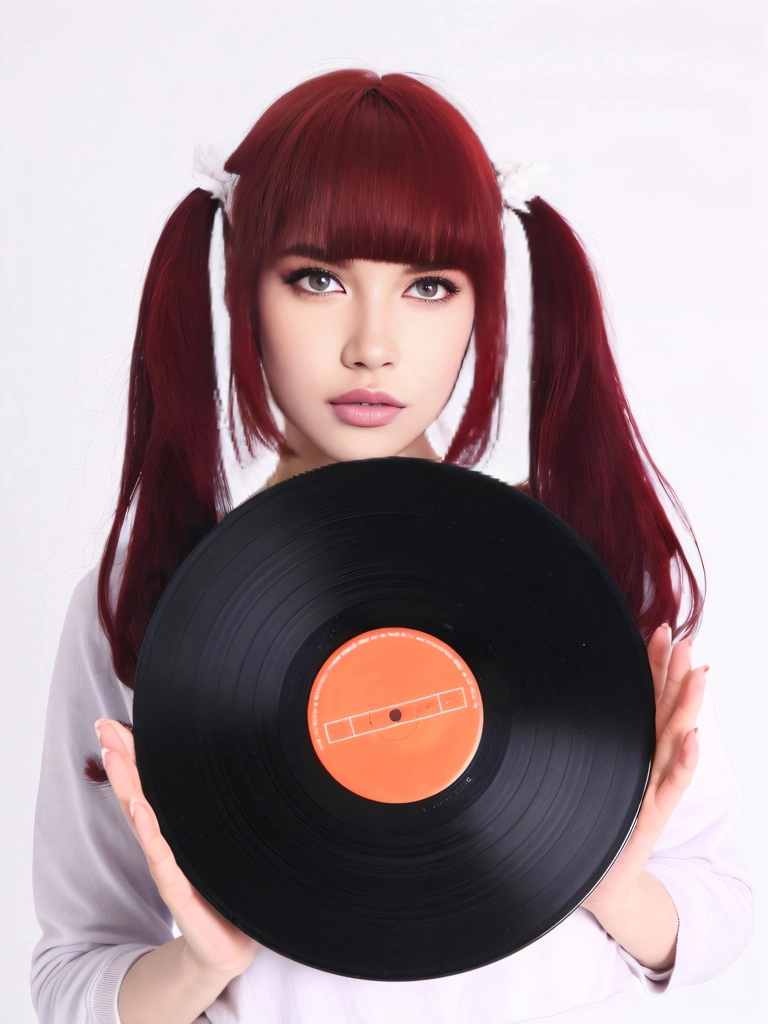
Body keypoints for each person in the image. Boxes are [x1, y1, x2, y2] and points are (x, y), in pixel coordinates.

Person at [30, 68, 753, 1024]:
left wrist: (610, 886)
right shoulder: (140, 598)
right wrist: (201, 966)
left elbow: (726, 909)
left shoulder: (583, 565)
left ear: (480, 309)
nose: (373, 345)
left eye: (427, 286)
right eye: (318, 279)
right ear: (242, 285)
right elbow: (70, 976)